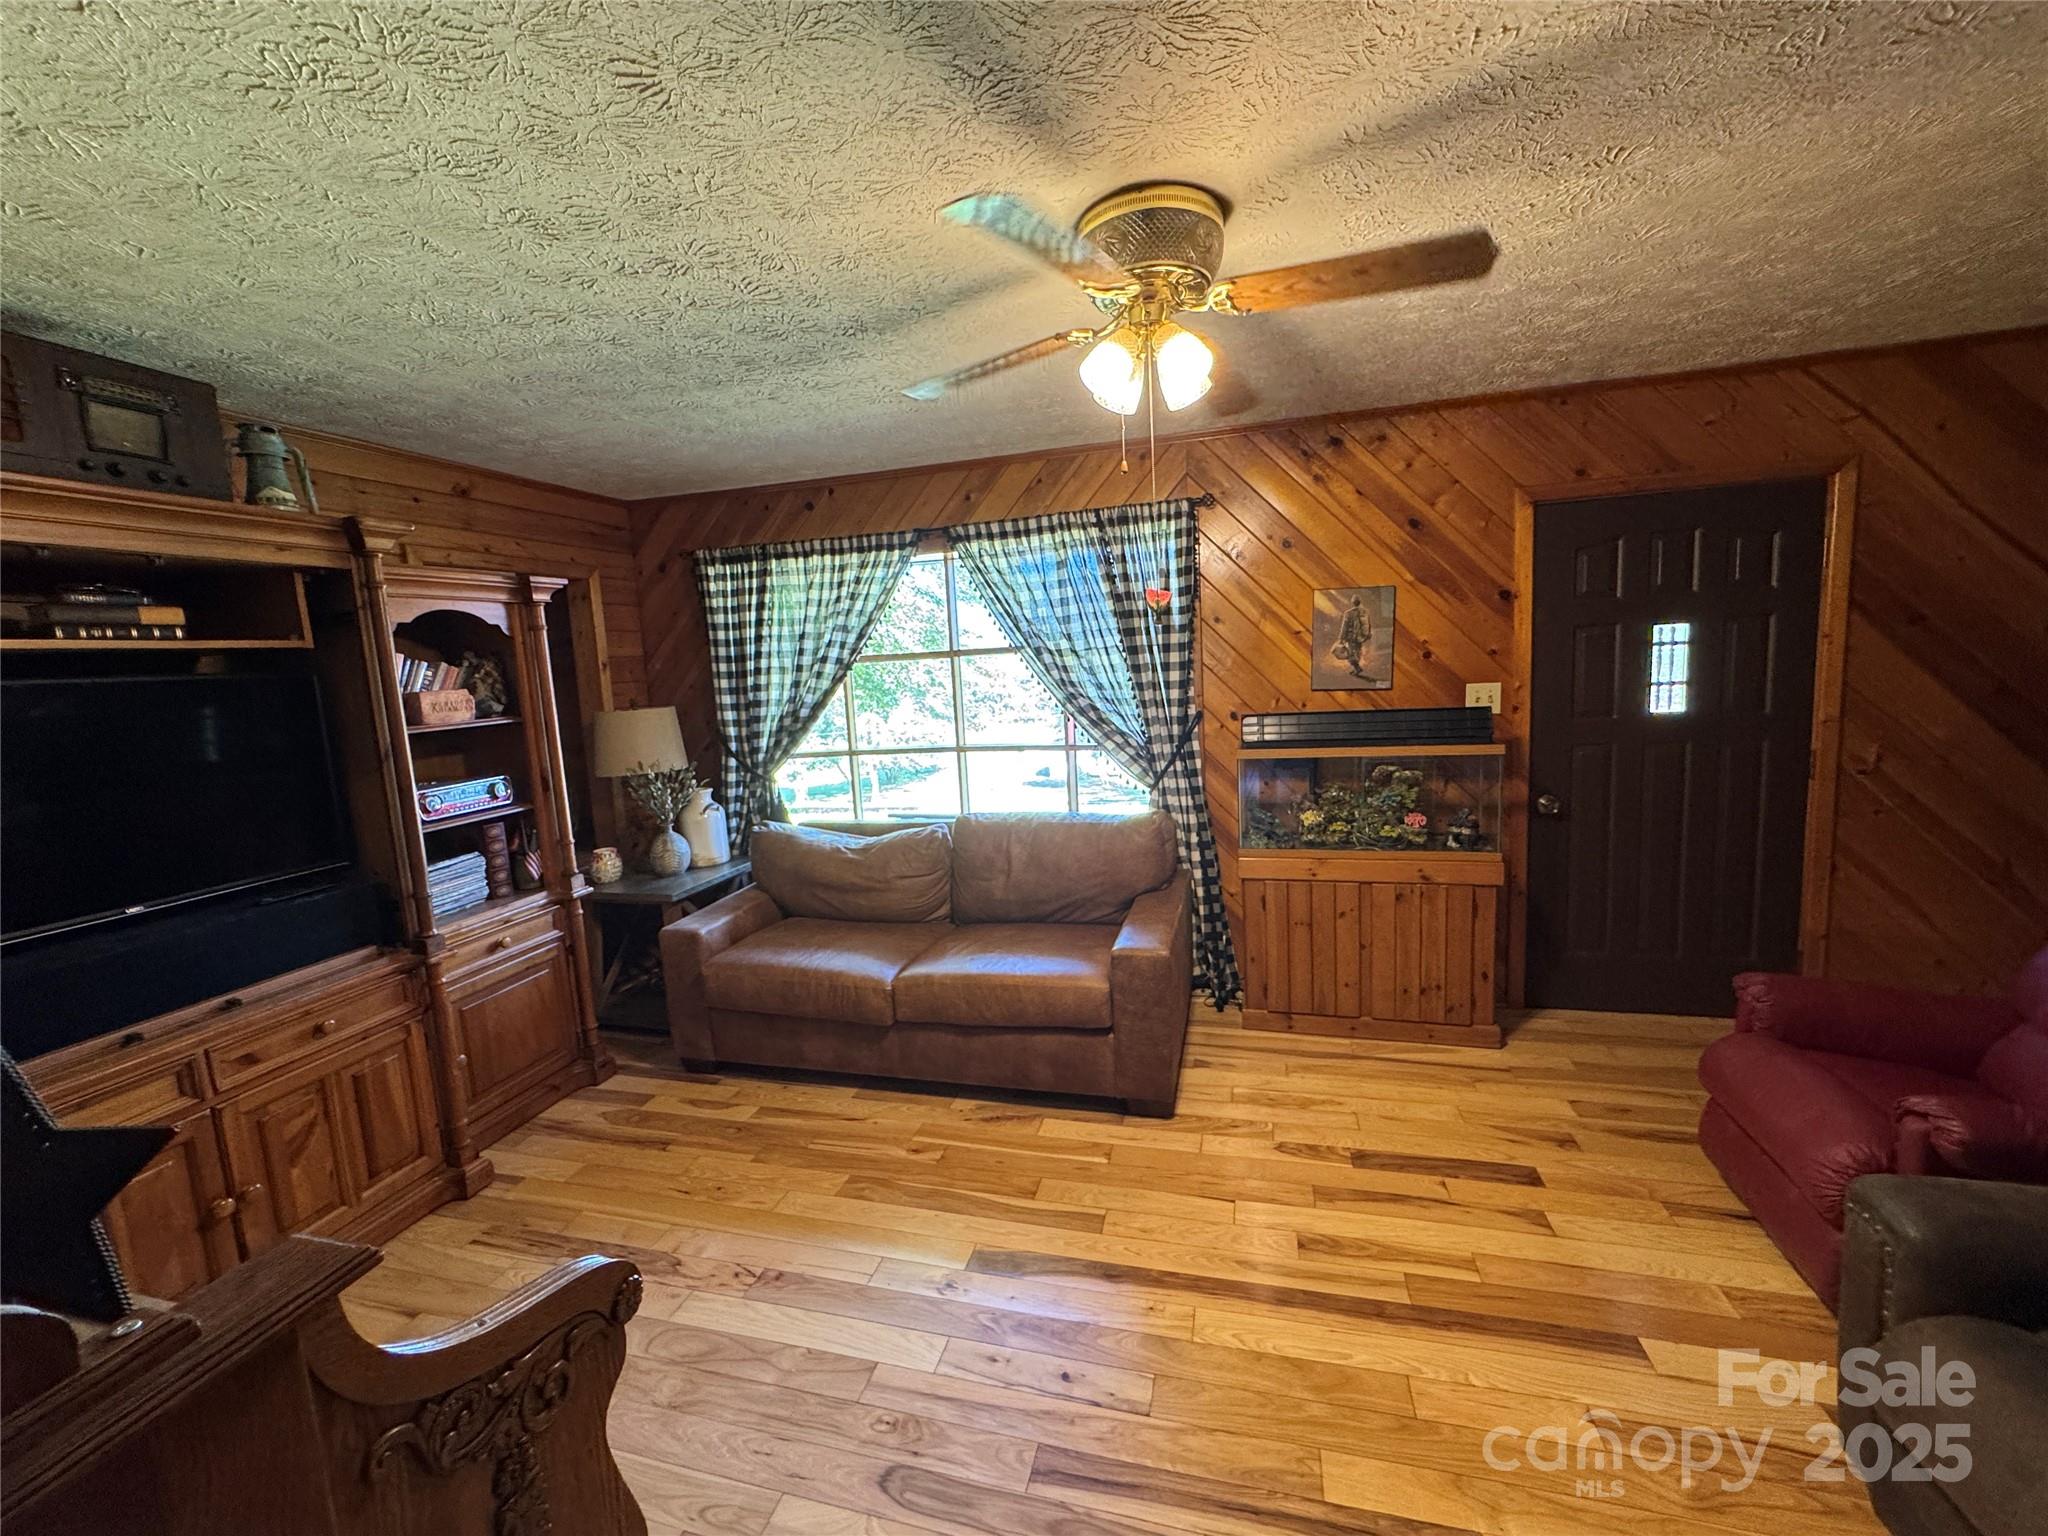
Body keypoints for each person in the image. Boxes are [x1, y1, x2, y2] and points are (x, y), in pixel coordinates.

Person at [1334, 592, 1373, 679]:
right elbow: (1369, 623)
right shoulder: (1365, 611)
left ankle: (1357, 668)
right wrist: (1368, 634)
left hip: (1351, 637)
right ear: (1360, 601)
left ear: (1352, 602)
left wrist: (1341, 638)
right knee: (1357, 651)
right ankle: (1356, 668)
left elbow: (1344, 627)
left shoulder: (1348, 613)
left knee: (1350, 653)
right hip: (1361, 637)